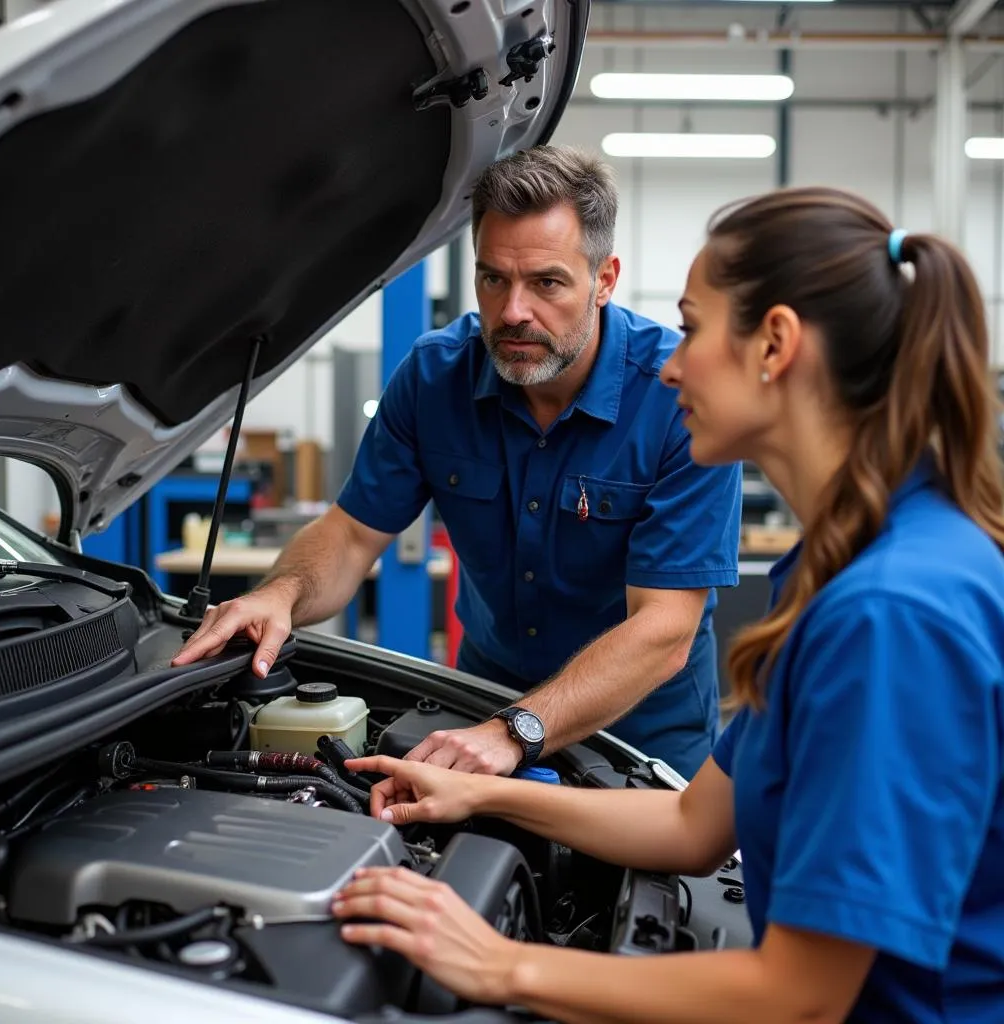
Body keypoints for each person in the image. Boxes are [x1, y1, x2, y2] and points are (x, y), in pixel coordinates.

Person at [326, 186, 1004, 1024]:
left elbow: (800, 997)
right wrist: (481, 794)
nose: (672, 364)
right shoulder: (842, 565)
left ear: (776, 345)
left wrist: (501, 966)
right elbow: (693, 825)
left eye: (691, 327)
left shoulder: (892, 612)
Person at [173, 146, 742, 781]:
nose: (514, 311)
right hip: (483, 710)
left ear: (604, 280)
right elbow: (353, 532)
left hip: (639, 740)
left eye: (546, 282)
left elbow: (664, 628)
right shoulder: (434, 376)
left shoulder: (675, 396)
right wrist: (280, 595)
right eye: (493, 278)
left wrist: (518, 730)